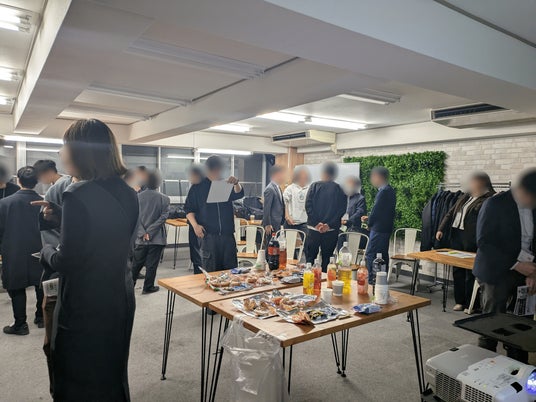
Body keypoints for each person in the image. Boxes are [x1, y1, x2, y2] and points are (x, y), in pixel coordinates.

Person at [37, 119, 139, 400]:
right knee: (111, 371)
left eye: (65, 146)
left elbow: (67, 261)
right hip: (119, 296)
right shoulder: (128, 192)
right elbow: (108, 235)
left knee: (76, 375)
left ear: (80, 151)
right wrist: (64, 217)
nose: (61, 153)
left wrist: (45, 252)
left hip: (85, 303)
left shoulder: (77, 192)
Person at [473, 169, 536, 363]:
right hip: (496, 271)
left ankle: (518, 368)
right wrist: (516, 264)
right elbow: (484, 242)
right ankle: (485, 368)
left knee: (521, 324)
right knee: (492, 322)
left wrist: (533, 272)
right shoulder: (495, 204)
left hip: (526, 273)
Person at [436, 172, 495, 311]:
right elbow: (450, 213)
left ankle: (471, 304)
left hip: (472, 238)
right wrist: (441, 229)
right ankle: (460, 301)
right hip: (457, 235)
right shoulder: (466, 196)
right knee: (457, 270)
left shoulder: (489, 199)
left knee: (470, 272)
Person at [0, 166, 44, 335]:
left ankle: (20, 325)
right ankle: (41, 317)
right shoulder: (43, 203)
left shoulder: (4, 203)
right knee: (40, 284)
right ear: (37, 182)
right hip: (39, 249)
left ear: (18, 180)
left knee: (16, 286)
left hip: (13, 250)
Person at [185, 155, 244, 271]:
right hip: (209, 236)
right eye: (214, 170)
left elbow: (239, 194)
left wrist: (236, 183)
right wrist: (195, 226)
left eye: (219, 170)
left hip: (227, 235)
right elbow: (189, 209)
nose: (217, 173)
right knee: (211, 270)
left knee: (230, 270)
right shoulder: (198, 187)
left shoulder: (225, 184)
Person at [131, 170, 170, 294]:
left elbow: (134, 217)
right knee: (152, 265)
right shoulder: (165, 199)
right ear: (158, 183)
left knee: (136, 264)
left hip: (140, 238)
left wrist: (143, 233)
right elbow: (163, 218)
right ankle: (148, 287)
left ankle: (129, 286)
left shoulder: (137, 197)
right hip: (157, 238)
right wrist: (150, 232)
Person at [305, 161, 346, 272]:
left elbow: (308, 206)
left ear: (323, 173)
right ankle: (324, 280)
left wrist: (316, 223)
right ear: (333, 175)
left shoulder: (314, 186)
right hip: (331, 230)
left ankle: (309, 278)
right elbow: (341, 210)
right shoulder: (339, 189)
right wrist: (329, 225)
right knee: (327, 259)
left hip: (314, 229)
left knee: (310, 258)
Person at [362, 166, 396, 282]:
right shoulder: (390, 190)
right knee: (382, 255)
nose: (372, 180)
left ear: (379, 177)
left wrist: (369, 223)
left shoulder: (383, 191)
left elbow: (376, 210)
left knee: (371, 253)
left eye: (373, 176)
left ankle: (372, 280)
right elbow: (384, 211)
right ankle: (381, 279)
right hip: (385, 228)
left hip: (378, 229)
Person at [339, 175, 367, 249]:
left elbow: (360, 212)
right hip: (340, 228)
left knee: (351, 249)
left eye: (351, 185)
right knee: (340, 248)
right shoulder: (343, 197)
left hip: (353, 228)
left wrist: (347, 221)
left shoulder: (360, 198)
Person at [187, 165, 204, 274]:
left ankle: (199, 276)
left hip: (198, 227)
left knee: (198, 257)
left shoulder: (196, 188)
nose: (189, 178)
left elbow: (188, 210)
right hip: (197, 226)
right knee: (198, 256)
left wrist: (195, 226)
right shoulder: (196, 187)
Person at [283, 166, 310, 233]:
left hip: (304, 222)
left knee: (307, 239)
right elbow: (285, 202)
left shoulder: (309, 189)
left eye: (305, 176)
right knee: (290, 239)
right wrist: (287, 215)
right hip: (291, 222)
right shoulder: (290, 188)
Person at [263, 165, 286, 237]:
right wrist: (267, 224)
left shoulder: (277, 187)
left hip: (278, 222)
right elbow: (266, 208)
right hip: (271, 224)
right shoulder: (270, 189)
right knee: (270, 243)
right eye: (281, 174)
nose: (283, 177)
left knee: (276, 243)